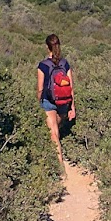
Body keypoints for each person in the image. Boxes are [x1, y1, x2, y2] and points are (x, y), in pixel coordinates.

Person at [36, 33, 75, 164]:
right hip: (64, 102)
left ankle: (60, 165)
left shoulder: (43, 65)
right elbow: (70, 87)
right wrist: (72, 107)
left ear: (47, 47)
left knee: (53, 132)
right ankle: (58, 157)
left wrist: (38, 103)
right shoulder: (65, 64)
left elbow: (40, 89)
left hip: (48, 101)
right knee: (55, 129)